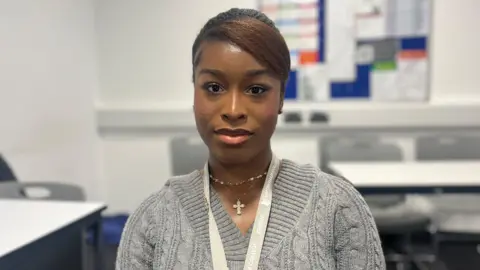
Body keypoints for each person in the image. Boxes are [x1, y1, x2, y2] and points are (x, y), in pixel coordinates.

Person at [116, 8, 385, 270]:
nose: (233, 111)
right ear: (194, 92)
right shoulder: (152, 220)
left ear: (280, 98)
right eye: (214, 87)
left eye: (256, 89)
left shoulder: (338, 208)